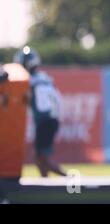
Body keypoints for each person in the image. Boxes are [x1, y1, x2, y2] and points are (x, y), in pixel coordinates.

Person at [13, 46, 66, 177]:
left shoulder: (29, 80)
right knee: (39, 157)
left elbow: (24, 97)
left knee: (41, 157)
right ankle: (46, 184)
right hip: (50, 119)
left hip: (45, 120)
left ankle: (73, 180)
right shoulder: (44, 77)